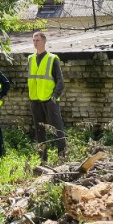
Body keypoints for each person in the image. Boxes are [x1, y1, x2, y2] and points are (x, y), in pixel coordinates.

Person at [28, 31, 66, 161]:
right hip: (35, 100)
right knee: (39, 130)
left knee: (57, 129)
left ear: (44, 41)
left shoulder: (52, 58)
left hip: (49, 100)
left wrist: (54, 97)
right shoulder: (30, 59)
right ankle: (42, 158)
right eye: (33, 40)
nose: (35, 43)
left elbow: (60, 81)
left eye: (37, 40)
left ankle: (62, 156)